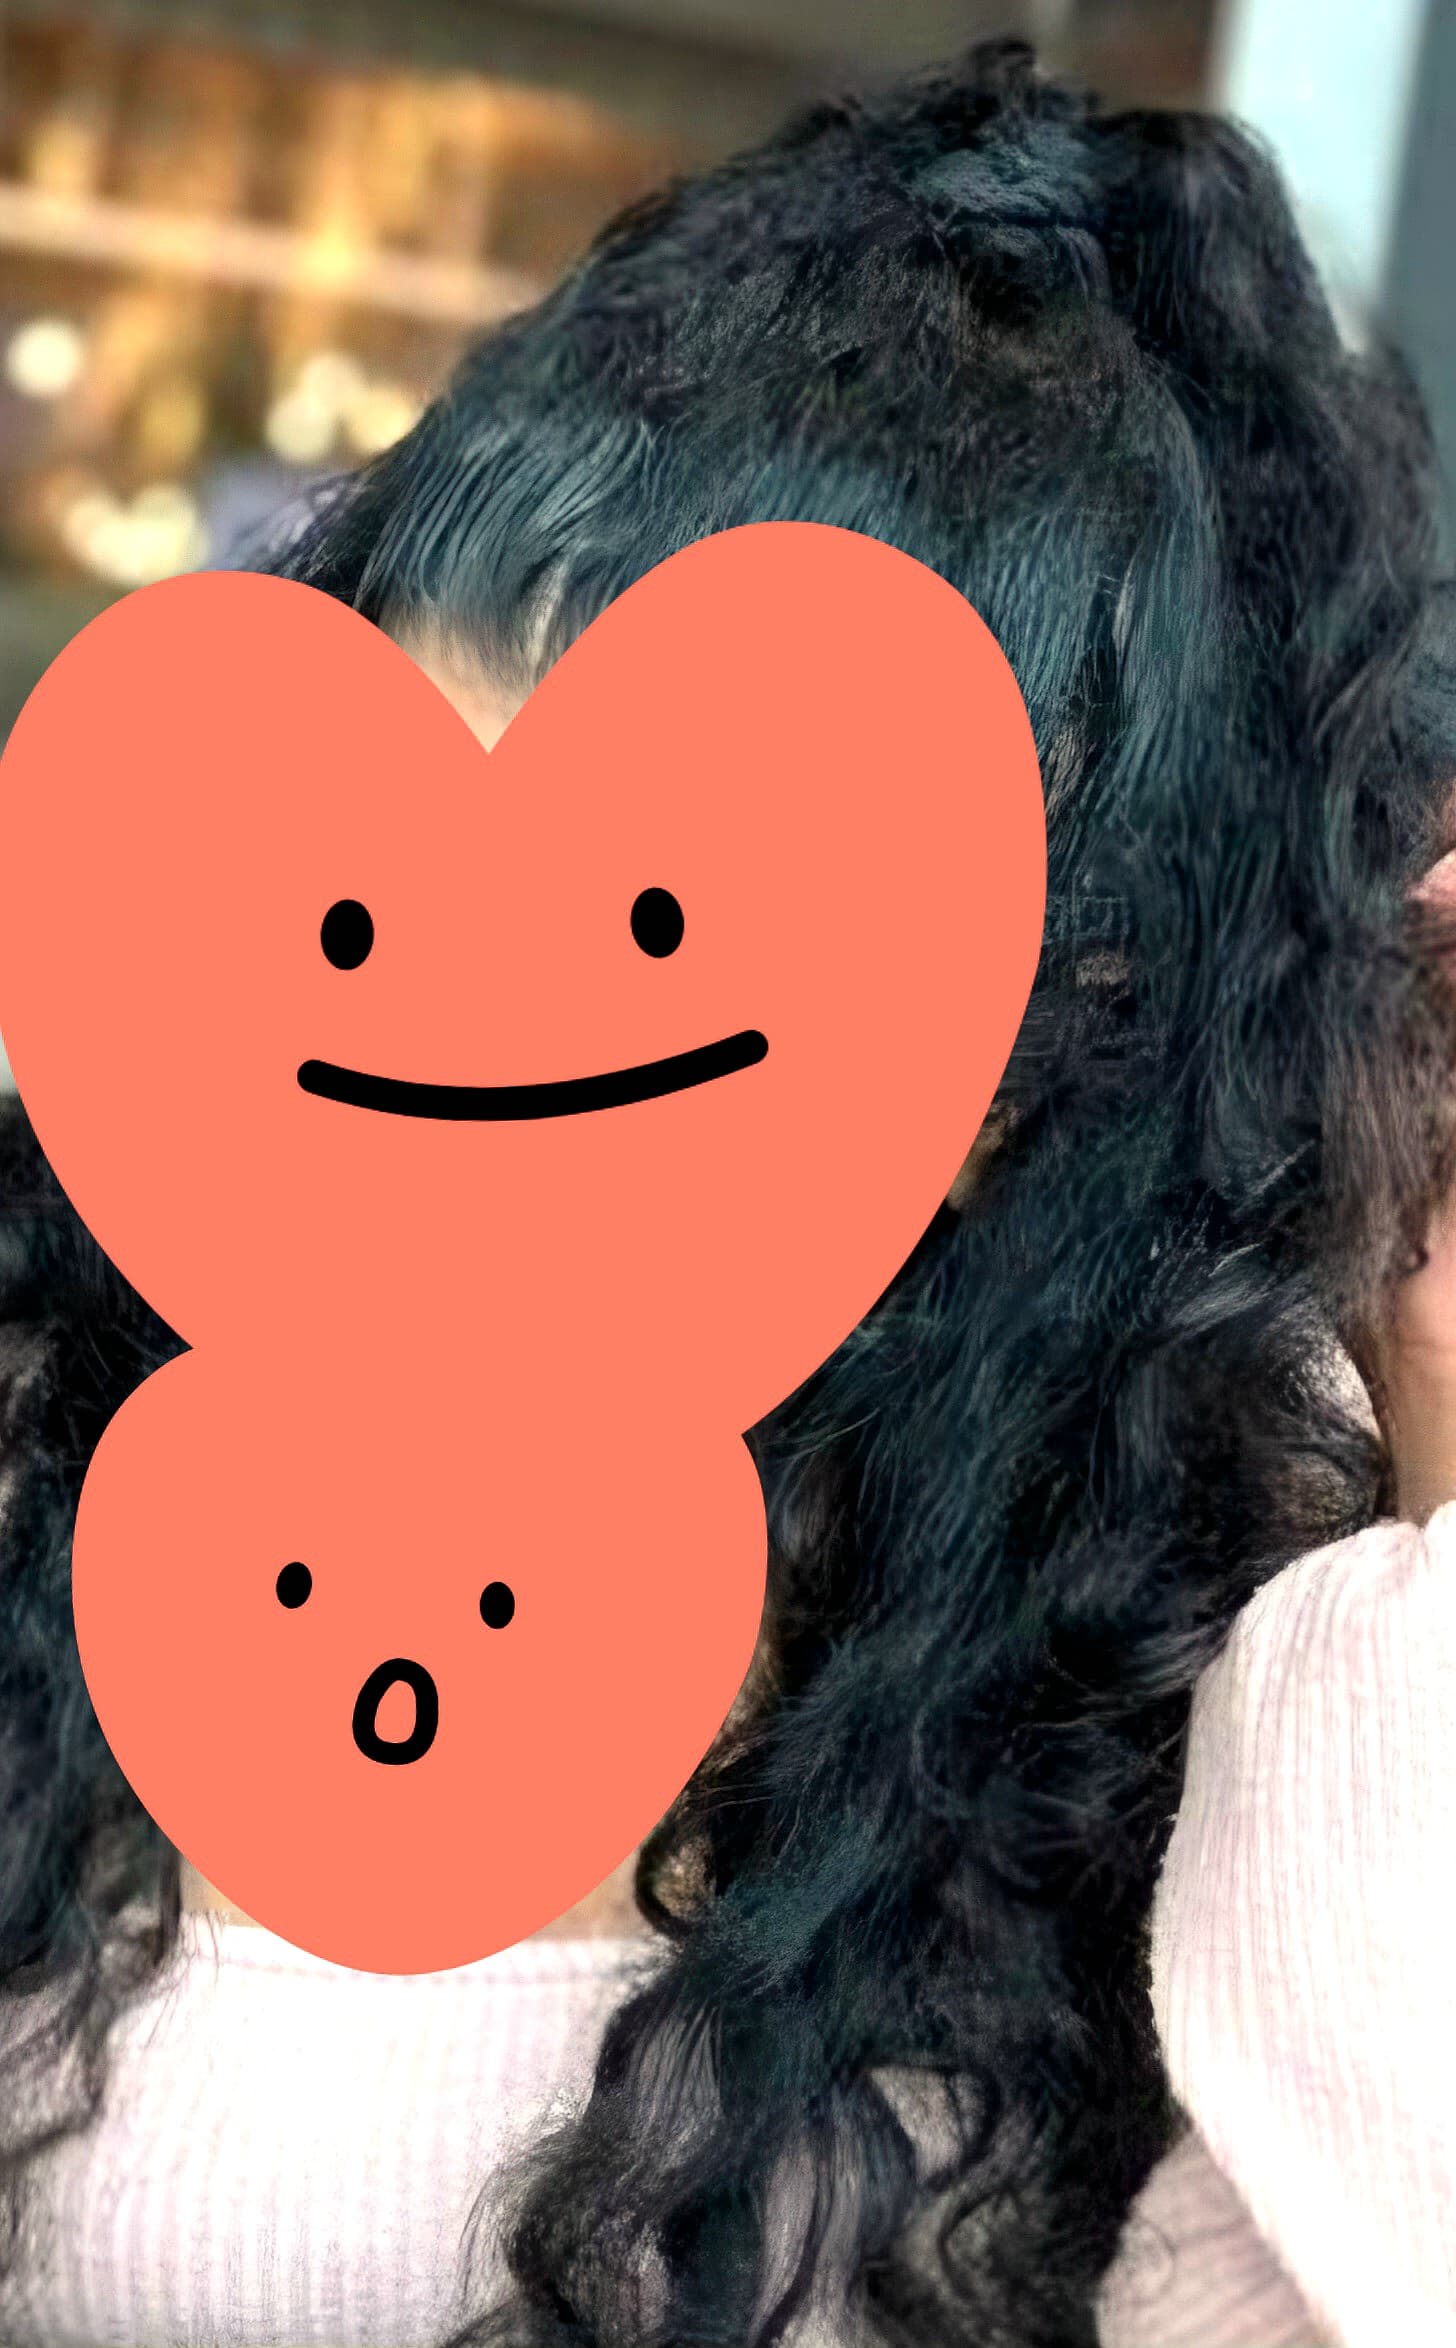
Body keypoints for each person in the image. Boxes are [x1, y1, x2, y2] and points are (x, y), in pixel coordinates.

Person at [0, 33, 1453, 2348]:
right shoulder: (65, 1444)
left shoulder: (1183, 1664)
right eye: (418, 829)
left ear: (1048, 1034)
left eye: (666, 912)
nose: (486, 1030)